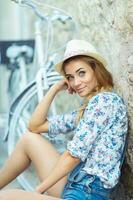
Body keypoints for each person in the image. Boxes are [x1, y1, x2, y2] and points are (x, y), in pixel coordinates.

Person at [0, 39, 128, 200]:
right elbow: (35, 126)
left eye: (82, 73)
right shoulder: (88, 109)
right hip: (75, 185)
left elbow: (73, 156)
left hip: (86, 193)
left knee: (7, 197)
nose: (76, 82)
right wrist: (54, 88)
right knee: (29, 139)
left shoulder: (104, 102)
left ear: (96, 70)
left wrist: (38, 191)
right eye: (70, 77)